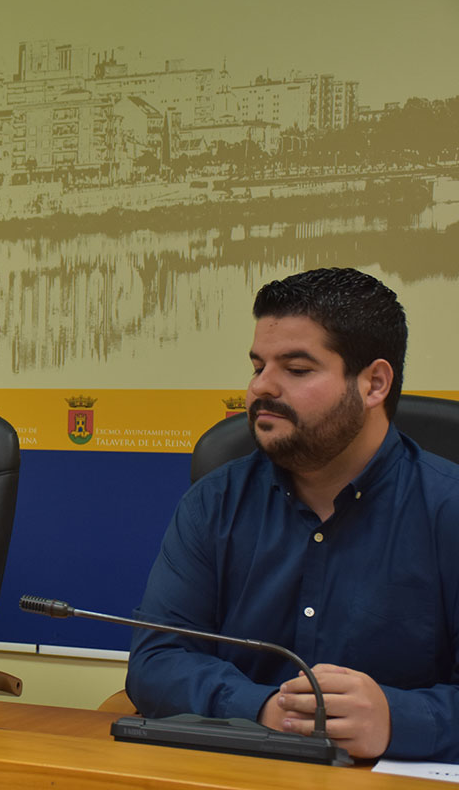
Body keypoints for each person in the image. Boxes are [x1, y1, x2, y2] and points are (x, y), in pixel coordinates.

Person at [127, 267, 459, 761]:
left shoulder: (448, 509)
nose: (263, 387)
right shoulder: (215, 501)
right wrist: (264, 708)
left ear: (374, 384)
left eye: (297, 370)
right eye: (258, 365)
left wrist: (396, 717)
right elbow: (157, 661)